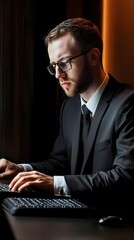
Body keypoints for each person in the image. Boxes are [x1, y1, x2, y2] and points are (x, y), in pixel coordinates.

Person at [0, 17, 134, 217]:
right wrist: (20, 169)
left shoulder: (128, 103)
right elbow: (60, 163)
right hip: (77, 220)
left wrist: (54, 184)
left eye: (64, 63)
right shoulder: (69, 108)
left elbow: (125, 176)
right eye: (53, 66)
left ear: (94, 57)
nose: (57, 75)